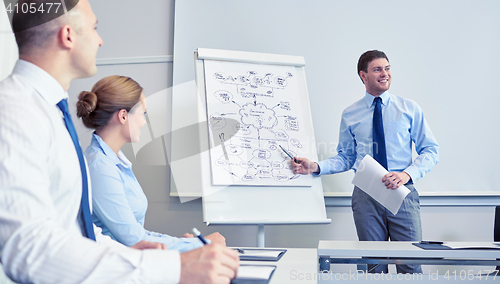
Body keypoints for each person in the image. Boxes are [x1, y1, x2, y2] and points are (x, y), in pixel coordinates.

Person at [0, 0, 238, 283]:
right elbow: (27, 248)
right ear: (68, 35)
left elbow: (79, 232)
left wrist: (143, 256)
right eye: (95, 28)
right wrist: (172, 268)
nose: (100, 41)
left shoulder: (50, 113)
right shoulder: (15, 112)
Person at [292, 50, 439, 274]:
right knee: (373, 266)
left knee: (410, 264)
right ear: (363, 76)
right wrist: (316, 166)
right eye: (377, 69)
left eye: (387, 68)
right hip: (366, 196)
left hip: (402, 193)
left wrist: (406, 174)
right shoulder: (351, 113)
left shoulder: (409, 109)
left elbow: (430, 150)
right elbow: (347, 157)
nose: (385, 74)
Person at [76, 75, 226, 252]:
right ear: (123, 116)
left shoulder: (113, 161)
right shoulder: (100, 167)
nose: (144, 122)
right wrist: (201, 244)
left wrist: (181, 243)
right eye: (143, 114)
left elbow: (136, 233)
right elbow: (133, 239)